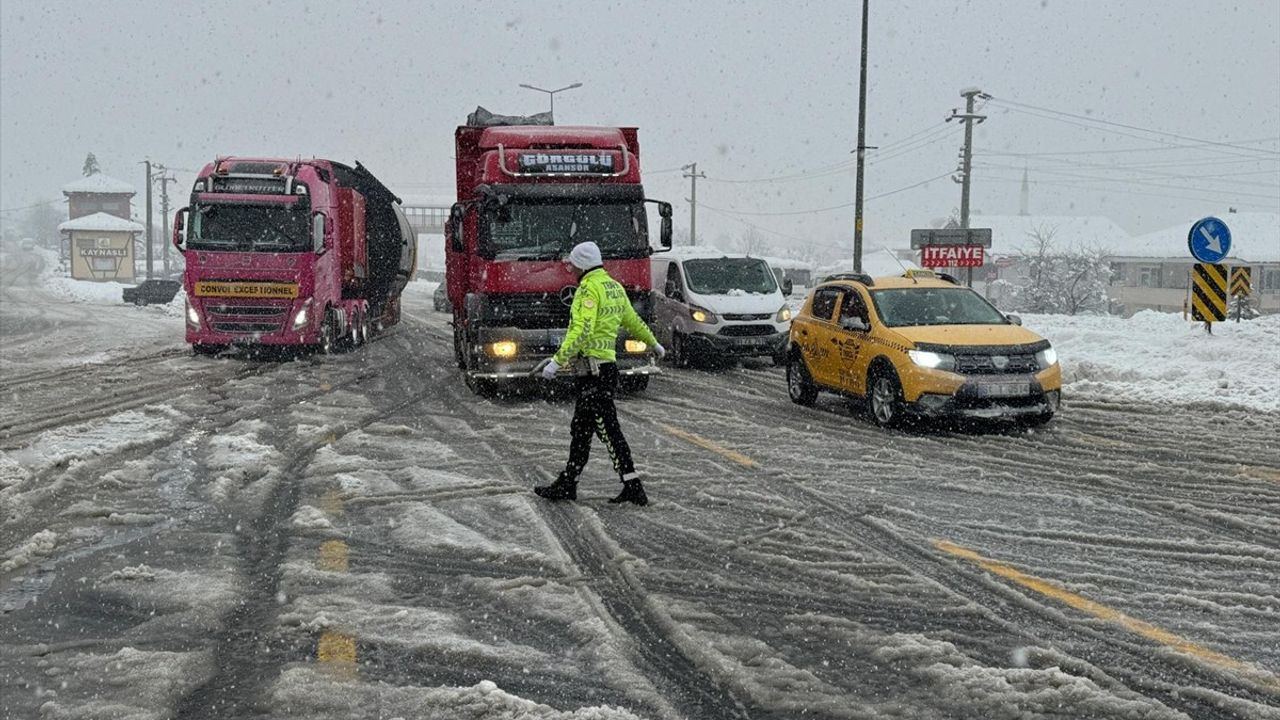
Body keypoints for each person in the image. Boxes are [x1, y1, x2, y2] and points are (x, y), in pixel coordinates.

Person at [534, 241, 664, 506]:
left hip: (593, 372)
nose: (571, 271)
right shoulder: (613, 287)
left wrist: (557, 362)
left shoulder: (588, 289)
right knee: (581, 429)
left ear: (581, 265)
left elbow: (581, 330)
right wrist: (653, 342)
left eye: (573, 265)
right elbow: (633, 321)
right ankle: (568, 483)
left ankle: (633, 486)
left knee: (607, 429)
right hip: (605, 370)